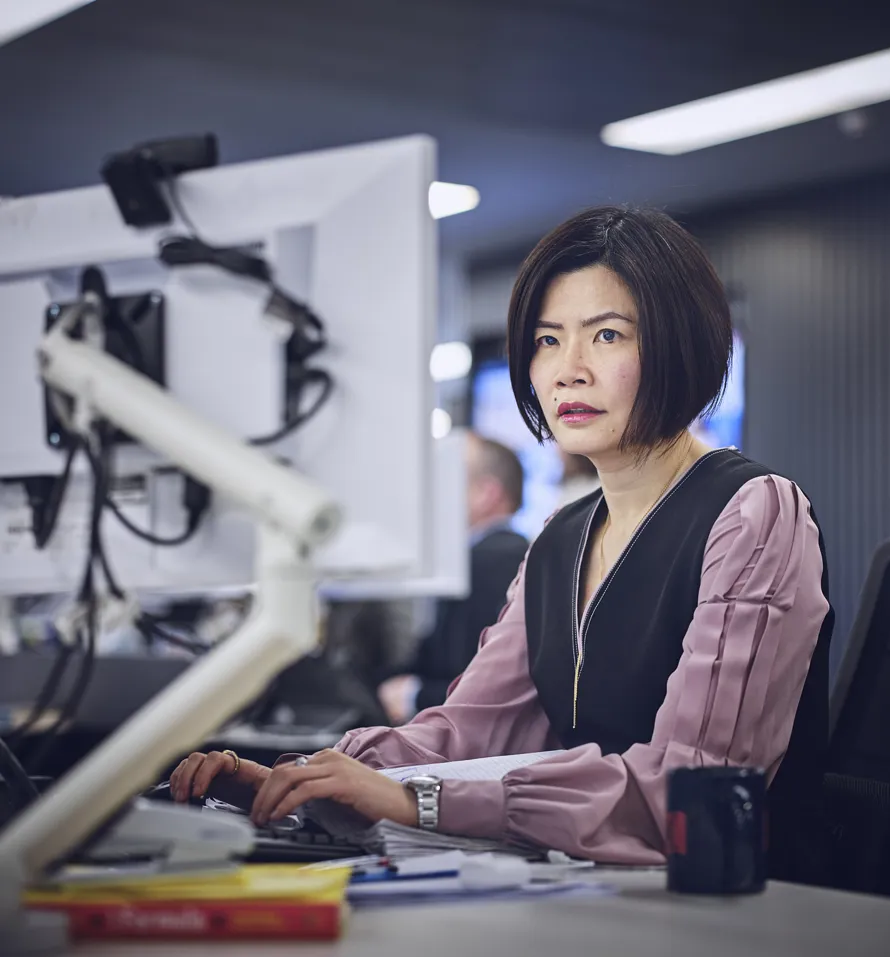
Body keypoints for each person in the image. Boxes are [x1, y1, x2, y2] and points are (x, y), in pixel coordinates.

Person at [169, 207, 833, 882]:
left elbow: (695, 785)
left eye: (606, 335)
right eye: (547, 341)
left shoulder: (751, 512)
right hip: (605, 897)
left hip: (741, 910)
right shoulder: (560, 540)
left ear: (679, 344)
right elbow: (470, 730)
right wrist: (309, 776)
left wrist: (418, 799)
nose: (567, 370)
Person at [378, 432, 529, 723]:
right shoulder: (481, 557)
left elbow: (487, 684)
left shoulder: (492, 560)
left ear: (486, 494)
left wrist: (416, 694)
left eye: (447, 480)